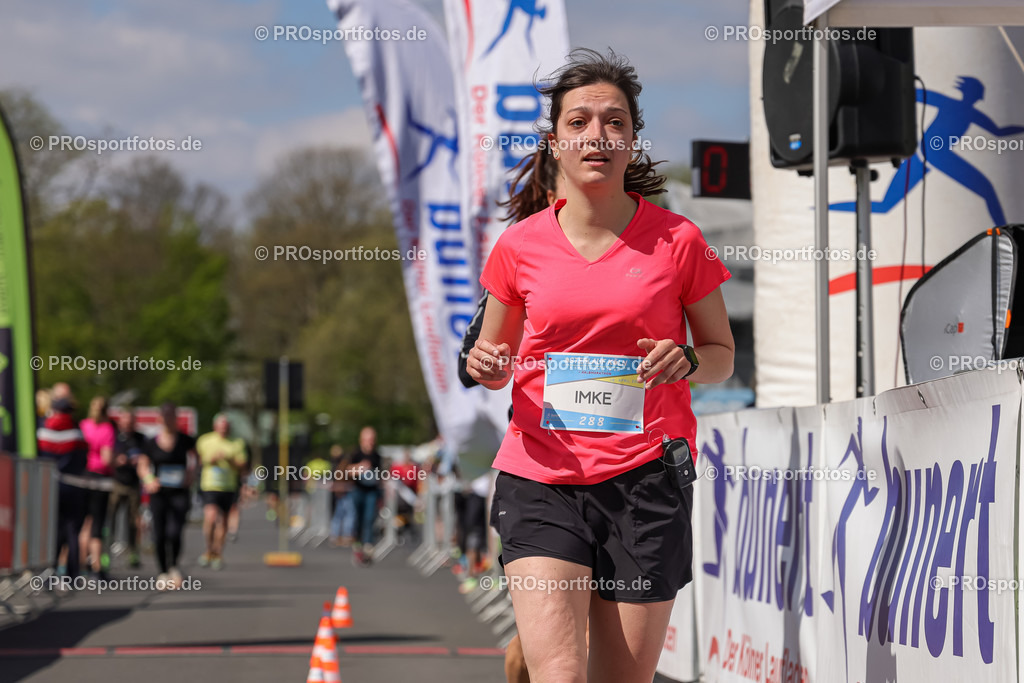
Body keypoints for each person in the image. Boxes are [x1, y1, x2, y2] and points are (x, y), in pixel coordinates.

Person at [466, 49, 735, 682]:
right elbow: (494, 361)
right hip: (542, 476)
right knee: (560, 673)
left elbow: (722, 357)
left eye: (615, 122)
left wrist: (687, 360)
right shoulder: (519, 245)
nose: (598, 135)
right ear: (554, 141)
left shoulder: (678, 241)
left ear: (633, 140)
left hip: (644, 482)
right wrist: (486, 362)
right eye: (580, 121)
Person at [138, 402, 197, 588]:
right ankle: (162, 571)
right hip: (159, 492)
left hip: (179, 491)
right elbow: (143, 464)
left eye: (172, 416)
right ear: (160, 418)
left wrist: (191, 475)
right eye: (165, 416)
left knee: (175, 531)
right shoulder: (150, 442)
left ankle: (174, 566)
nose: (169, 419)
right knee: (159, 533)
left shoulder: (186, 440)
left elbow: (196, 459)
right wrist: (149, 479)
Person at [38, 390, 88, 579]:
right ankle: (72, 573)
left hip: (48, 487)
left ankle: (49, 570)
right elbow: (83, 459)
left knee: (51, 531)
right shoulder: (77, 432)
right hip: (73, 487)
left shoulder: (43, 430)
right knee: (72, 530)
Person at [196, 413, 247, 570]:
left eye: (226, 427)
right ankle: (208, 549)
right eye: (221, 427)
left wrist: (230, 459)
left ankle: (218, 552)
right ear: (215, 427)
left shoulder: (237, 443)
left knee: (223, 521)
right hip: (210, 484)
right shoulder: (205, 440)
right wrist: (211, 459)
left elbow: (242, 464)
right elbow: (199, 459)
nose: (224, 430)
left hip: (228, 486)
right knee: (210, 516)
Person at [80, 396, 116, 579]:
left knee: (84, 523)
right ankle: (96, 565)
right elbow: (107, 458)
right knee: (97, 523)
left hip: (82, 477)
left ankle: (79, 563)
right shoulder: (107, 429)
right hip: (100, 478)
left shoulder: (83, 426)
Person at [109, 408, 146, 569]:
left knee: (133, 521)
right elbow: (108, 455)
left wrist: (139, 461)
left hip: (133, 483)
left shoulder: (140, 438)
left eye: (131, 422)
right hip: (116, 482)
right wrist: (118, 460)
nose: (128, 425)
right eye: (125, 421)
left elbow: (146, 456)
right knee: (110, 518)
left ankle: (133, 552)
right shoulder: (115, 437)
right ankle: (105, 552)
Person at [347, 426, 382, 565]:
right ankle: (358, 545)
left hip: (372, 491)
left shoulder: (377, 455)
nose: (370, 442)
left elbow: (381, 474)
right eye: (368, 439)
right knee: (358, 518)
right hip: (358, 490)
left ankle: (368, 546)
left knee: (369, 518)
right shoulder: (356, 453)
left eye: (372, 439)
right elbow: (347, 470)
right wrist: (359, 468)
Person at [329, 444, 356, 546]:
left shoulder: (333, 463)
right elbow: (342, 477)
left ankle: (336, 535)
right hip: (344, 491)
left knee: (339, 514)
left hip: (339, 491)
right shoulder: (343, 464)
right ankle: (345, 535)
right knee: (348, 514)